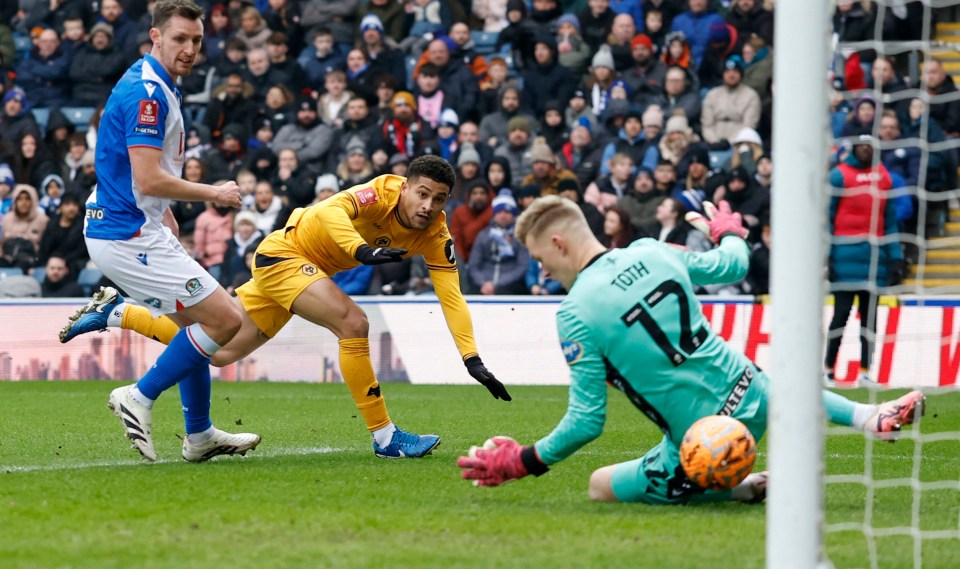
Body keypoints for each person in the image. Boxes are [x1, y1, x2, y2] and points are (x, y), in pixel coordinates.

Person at [456, 195, 925, 503]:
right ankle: (869, 416)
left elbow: (587, 421)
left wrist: (525, 460)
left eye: (541, 258)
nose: (543, 270)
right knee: (769, 378)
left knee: (600, 487)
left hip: (702, 441)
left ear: (558, 243)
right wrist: (728, 229)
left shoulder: (575, 312)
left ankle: (734, 488)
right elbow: (732, 263)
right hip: (756, 397)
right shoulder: (651, 250)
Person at [63, 156, 511, 459]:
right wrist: (358, 250)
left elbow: (451, 295)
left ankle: (117, 312)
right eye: (422, 194)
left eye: (438, 200)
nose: (428, 206)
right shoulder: (380, 192)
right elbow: (328, 212)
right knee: (353, 323)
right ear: (406, 187)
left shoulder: (436, 233)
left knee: (217, 350)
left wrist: (471, 357)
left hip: (304, 270)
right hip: (285, 256)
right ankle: (385, 436)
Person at [73, 0, 259, 464]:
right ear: (155, 36)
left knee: (197, 328)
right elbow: (149, 178)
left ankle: (199, 436)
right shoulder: (150, 94)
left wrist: (163, 212)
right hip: (126, 234)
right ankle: (139, 394)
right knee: (227, 321)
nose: (189, 48)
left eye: (196, 40)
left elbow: (129, 169)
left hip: (127, 223)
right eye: (179, 38)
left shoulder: (151, 81)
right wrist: (213, 193)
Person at [824, 135, 905, 385]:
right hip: (844, 259)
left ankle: (864, 372)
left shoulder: (884, 177)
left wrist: (896, 258)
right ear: (854, 149)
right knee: (840, 317)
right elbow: (826, 218)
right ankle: (828, 370)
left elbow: (889, 222)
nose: (867, 151)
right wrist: (828, 257)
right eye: (862, 147)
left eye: (871, 147)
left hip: (874, 261)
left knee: (869, 320)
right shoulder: (839, 175)